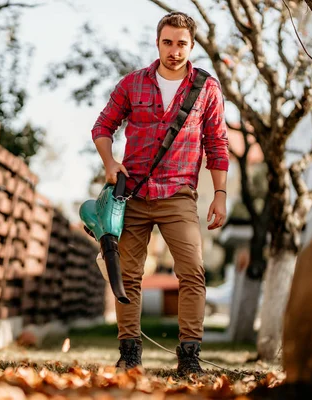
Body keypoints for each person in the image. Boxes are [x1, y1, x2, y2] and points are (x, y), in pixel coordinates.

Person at [91, 11, 229, 376]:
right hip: (131, 194)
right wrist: (109, 162)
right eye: (168, 42)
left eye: (181, 43)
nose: (174, 50)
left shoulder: (206, 88)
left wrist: (219, 193)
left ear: (192, 46)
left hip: (179, 193)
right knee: (127, 275)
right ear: (158, 42)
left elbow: (217, 143)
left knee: (193, 273)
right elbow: (103, 125)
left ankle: (189, 357)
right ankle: (130, 355)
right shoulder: (132, 84)